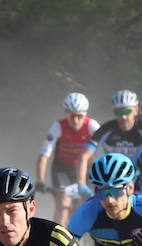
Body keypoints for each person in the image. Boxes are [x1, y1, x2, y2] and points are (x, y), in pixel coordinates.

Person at [35, 91, 99, 224]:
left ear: (85, 114)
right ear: (66, 114)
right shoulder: (58, 126)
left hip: (85, 170)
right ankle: (57, 238)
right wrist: (40, 180)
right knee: (63, 202)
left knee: (87, 206)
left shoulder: (92, 125)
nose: (75, 120)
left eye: (79, 116)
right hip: (62, 169)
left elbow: (105, 148)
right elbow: (44, 155)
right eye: (71, 115)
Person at [75, 89, 142, 181]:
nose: (123, 117)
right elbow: (84, 156)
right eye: (118, 112)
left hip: (138, 177)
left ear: (136, 110)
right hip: (112, 178)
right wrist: (81, 184)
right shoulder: (106, 129)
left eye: (127, 111)